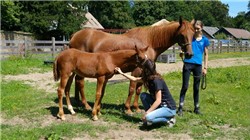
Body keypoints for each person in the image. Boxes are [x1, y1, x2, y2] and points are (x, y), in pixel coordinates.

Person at [115, 59, 177, 127]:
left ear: (146, 70)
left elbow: (158, 100)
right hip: (160, 106)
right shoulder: (148, 78)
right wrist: (121, 73)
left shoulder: (156, 81)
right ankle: (151, 115)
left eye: (142, 68)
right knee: (143, 95)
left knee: (148, 118)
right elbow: (134, 79)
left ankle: (169, 120)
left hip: (168, 108)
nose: (141, 69)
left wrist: (147, 113)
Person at [178, 20, 209, 116]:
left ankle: (196, 107)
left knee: (196, 87)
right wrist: (181, 52)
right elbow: (183, 47)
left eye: (198, 28)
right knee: (185, 86)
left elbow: (206, 54)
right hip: (187, 63)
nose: (196, 30)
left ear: (202, 28)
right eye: (195, 28)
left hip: (198, 65)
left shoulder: (205, 40)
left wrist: (205, 68)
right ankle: (180, 107)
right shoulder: (190, 37)